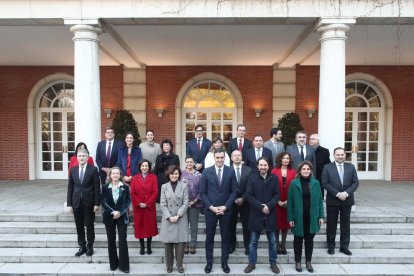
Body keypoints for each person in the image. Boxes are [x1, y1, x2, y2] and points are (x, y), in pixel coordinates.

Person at [199, 149, 238, 274]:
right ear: (214, 158)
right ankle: (209, 262)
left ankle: (224, 262)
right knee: (209, 237)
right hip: (211, 211)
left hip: (226, 211)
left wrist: (225, 207)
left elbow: (234, 191)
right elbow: (202, 192)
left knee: (225, 238)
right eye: (218, 157)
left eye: (222, 157)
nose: (220, 160)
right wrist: (211, 207)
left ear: (224, 158)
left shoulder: (230, 171)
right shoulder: (206, 171)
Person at [244, 157, 280, 274]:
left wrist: (268, 206)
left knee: (273, 242)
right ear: (257, 166)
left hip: (270, 213)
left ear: (268, 166)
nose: (263, 167)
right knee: (253, 241)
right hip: (256, 213)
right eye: (261, 165)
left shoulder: (274, 178)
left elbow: (277, 195)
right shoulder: (252, 177)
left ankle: (273, 263)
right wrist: (261, 207)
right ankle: (252, 263)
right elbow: (249, 195)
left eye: (265, 165)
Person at [287, 161, 324, 273]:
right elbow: (290, 202)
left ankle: (308, 261)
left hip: (312, 217)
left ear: (311, 171)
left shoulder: (316, 183)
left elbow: (320, 201)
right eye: (304, 169)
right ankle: (298, 262)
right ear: (300, 171)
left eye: (308, 169)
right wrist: (290, 218)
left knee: (309, 241)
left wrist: (321, 216)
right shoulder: (294, 183)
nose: (306, 171)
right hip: (298, 217)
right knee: (297, 240)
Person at [322, 147, 359, 256]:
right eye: (338, 155)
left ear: (345, 155)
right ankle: (331, 246)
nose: (340, 156)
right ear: (334, 155)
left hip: (347, 200)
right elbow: (325, 183)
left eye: (342, 154)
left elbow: (355, 183)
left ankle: (344, 247)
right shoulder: (327, 167)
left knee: (345, 225)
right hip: (333, 200)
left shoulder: (351, 167)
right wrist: (338, 194)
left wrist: (346, 193)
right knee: (331, 225)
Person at [67, 148, 100, 257]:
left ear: (88, 157)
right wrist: (69, 204)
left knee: (89, 225)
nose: (81, 158)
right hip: (76, 202)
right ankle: (82, 246)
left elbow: (96, 188)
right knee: (79, 225)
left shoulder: (93, 170)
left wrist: (96, 203)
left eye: (83, 156)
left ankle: (90, 246)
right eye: (80, 156)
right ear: (77, 157)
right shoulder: (73, 170)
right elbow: (70, 187)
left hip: (89, 202)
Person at [159, 165, 189, 273]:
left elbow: (186, 203)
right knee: (168, 245)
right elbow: (162, 204)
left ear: (179, 175)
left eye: (176, 173)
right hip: (168, 219)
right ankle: (169, 266)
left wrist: (178, 215)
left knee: (180, 245)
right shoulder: (164, 187)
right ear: (169, 175)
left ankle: (180, 265)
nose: (174, 175)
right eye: (172, 174)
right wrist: (169, 216)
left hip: (180, 218)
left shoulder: (184, 186)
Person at [101, 167, 131, 273]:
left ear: (120, 175)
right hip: (109, 217)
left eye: (117, 173)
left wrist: (120, 212)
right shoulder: (105, 187)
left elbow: (128, 201)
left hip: (122, 217)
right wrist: (112, 212)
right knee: (111, 240)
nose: (115, 175)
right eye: (113, 173)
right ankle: (113, 264)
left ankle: (124, 266)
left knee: (123, 240)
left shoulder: (125, 187)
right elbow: (103, 202)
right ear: (110, 175)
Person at [130, 159, 158, 255]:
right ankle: (142, 247)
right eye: (142, 166)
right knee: (140, 227)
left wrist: (147, 203)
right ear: (140, 167)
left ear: (149, 167)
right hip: (138, 207)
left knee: (149, 227)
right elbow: (132, 193)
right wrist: (139, 203)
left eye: (146, 166)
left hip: (149, 207)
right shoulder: (134, 178)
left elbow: (155, 192)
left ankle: (149, 246)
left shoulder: (153, 177)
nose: (144, 168)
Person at [271, 152, 296, 255]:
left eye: (287, 158)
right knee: (277, 225)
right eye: (284, 158)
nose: (286, 160)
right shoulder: (273, 171)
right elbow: (270, 187)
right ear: (280, 159)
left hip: (288, 202)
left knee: (285, 225)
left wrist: (287, 201)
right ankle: (277, 245)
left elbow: (295, 188)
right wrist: (277, 201)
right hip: (276, 202)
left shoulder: (294, 172)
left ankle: (284, 245)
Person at [229, 150, 251, 256]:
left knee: (246, 226)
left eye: (239, 155)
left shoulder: (249, 170)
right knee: (231, 225)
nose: (237, 157)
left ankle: (247, 247)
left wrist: (243, 198)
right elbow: (226, 187)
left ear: (242, 157)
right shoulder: (227, 170)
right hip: (231, 202)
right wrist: (233, 198)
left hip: (245, 202)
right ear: (231, 157)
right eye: (235, 155)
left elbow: (251, 187)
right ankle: (232, 245)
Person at [181, 155, 202, 255]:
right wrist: (185, 202)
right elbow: (178, 189)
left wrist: (194, 201)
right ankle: (185, 244)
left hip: (195, 204)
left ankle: (193, 244)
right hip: (183, 205)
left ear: (194, 163)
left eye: (191, 162)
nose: (189, 164)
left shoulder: (199, 175)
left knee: (194, 226)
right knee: (184, 225)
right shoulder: (181, 174)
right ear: (185, 163)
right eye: (187, 162)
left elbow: (202, 190)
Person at [309, 133, 331, 198]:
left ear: (318, 141)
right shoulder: (306, 150)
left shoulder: (324, 151)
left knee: (319, 196)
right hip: (307, 176)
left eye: (313, 139)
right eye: (310, 139)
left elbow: (327, 164)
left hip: (320, 178)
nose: (310, 140)